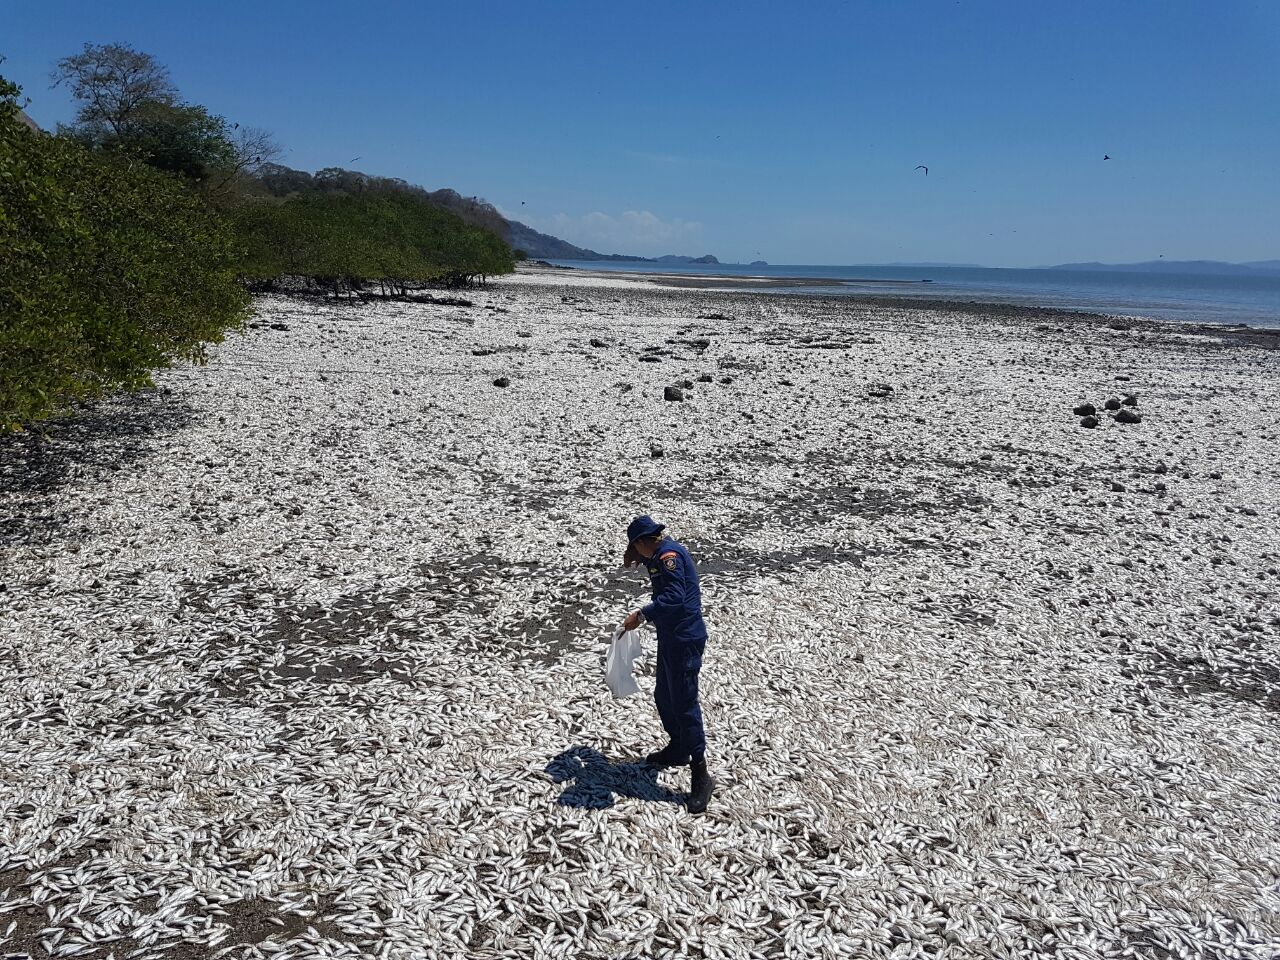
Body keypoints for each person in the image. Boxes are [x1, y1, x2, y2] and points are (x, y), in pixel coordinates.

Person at [621, 515, 715, 813]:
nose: (636, 553)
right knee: (664, 695)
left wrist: (643, 614)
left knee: (685, 703)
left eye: (635, 547)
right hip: (671, 636)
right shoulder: (658, 555)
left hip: (685, 638)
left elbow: (674, 595)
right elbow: (658, 571)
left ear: (643, 541)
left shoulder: (669, 557)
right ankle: (678, 747)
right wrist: (639, 556)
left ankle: (701, 774)